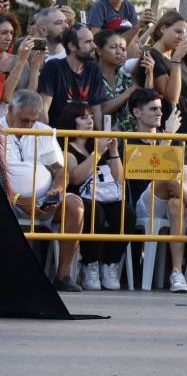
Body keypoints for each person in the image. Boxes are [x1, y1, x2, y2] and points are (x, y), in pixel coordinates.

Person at [127, 88, 187, 293]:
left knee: (176, 202)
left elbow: (184, 179)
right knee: (167, 179)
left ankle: (177, 273)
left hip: (176, 202)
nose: (159, 113)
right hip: (145, 204)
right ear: (137, 113)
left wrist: (169, 138)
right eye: (153, 109)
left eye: (160, 109)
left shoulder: (174, 139)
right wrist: (167, 137)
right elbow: (148, 175)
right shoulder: (129, 139)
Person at [2, 90, 84, 292]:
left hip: (43, 201)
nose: (29, 125)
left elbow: (59, 169)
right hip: (7, 198)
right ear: (10, 109)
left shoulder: (43, 130)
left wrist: (56, 190)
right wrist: (17, 199)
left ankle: (63, 275)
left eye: (33, 120)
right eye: (24, 120)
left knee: (75, 206)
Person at [59, 103, 134, 291]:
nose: (90, 121)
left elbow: (119, 179)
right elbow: (75, 178)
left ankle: (110, 264)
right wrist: (97, 153)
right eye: (83, 117)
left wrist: (114, 151)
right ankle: (89, 264)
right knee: (95, 213)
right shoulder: (67, 148)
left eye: (91, 117)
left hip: (107, 195)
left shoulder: (98, 143)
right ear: (71, 121)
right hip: (80, 198)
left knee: (127, 214)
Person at [137, 10, 187, 134]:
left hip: (185, 132)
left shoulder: (175, 57)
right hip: (168, 132)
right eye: (178, 31)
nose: (181, 37)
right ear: (163, 29)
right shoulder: (153, 56)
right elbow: (172, 98)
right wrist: (176, 60)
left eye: (184, 33)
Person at [38, 23, 106, 127]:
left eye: (92, 41)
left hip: (84, 137)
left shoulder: (93, 69)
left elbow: (96, 109)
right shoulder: (54, 67)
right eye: (88, 42)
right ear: (72, 46)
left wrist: (99, 139)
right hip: (58, 136)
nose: (94, 46)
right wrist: (47, 139)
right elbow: (43, 108)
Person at [95, 29, 151, 131]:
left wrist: (150, 74)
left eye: (123, 49)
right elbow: (99, 110)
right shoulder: (91, 78)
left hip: (131, 140)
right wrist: (129, 92)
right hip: (104, 142)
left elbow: (147, 103)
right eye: (113, 47)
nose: (119, 52)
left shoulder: (128, 78)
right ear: (99, 51)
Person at [0, 15, 44, 114]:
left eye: (11, 33)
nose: (9, 38)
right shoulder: (20, 60)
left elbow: (28, 97)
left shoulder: (18, 60)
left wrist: (35, 67)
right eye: (3, 33)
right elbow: (6, 97)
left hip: (15, 122)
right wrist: (21, 60)